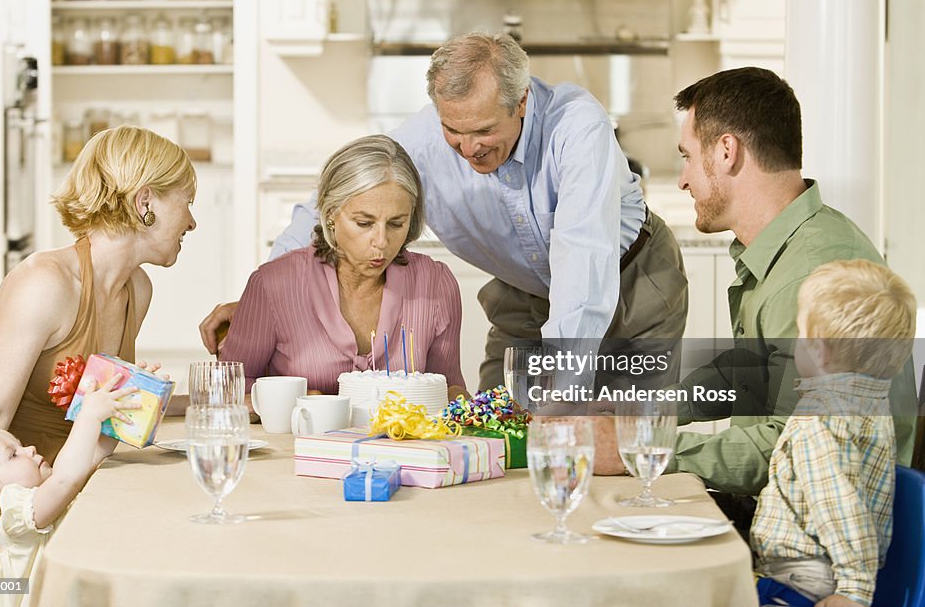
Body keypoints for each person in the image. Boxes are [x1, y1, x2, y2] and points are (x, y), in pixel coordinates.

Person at [201, 32, 688, 391]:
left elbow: (584, 260)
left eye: (483, 131)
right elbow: (328, 206)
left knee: (618, 442)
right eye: (453, 129)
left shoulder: (577, 127)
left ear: (521, 102)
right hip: (525, 295)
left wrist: (561, 398)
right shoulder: (426, 138)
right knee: (504, 438)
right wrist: (262, 303)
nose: (467, 147)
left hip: (630, 284)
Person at [591, 67, 916, 502]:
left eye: (687, 156)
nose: (684, 178)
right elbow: (747, 373)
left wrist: (637, 448)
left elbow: (791, 449)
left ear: (727, 151)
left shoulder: (812, 274)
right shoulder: (791, 246)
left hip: (813, 530)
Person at [0, 125, 196, 606]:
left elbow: (105, 413)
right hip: (4, 520)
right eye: (187, 201)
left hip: (73, 499)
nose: (192, 221)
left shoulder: (138, 290)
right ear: (145, 201)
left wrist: (197, 403)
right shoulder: (45, 284)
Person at [214, 135, 466, 397]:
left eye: (396, 224)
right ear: (331, 214)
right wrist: (292, 401)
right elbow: (225, 391)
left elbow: (447, 389)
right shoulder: (273, 284)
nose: (381, 242)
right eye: (364, 223)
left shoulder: (436, 284)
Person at [751, 260, 916, 607]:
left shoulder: (819, 418)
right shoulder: (872, 404)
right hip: (819, 574)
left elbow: (840, 505)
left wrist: (854, 589)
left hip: (800, 581)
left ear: (819, 349)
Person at [0, 375, 141, 607]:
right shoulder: (13, 516)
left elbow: (93, 454)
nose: (29, 449)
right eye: (13, 455)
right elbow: (65, 479)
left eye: (20, 445)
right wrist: (89, 416)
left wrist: (124, 406)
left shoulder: (37, 504)